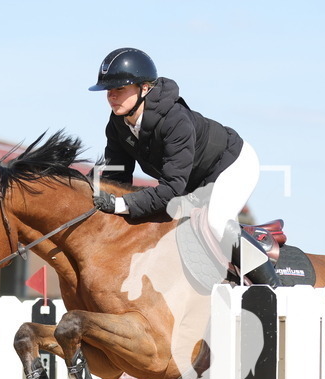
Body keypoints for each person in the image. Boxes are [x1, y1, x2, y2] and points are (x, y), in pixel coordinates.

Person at [88, 47, 280, 287]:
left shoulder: (175, 121)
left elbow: (171, 189)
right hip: (193, 179)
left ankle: (274, 291)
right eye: (108, 90)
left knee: (216, 221)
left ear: (144, 88)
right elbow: (118, 176)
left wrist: (121, 204)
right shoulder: (117, 123)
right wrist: (95, 189)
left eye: (119, 89)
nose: (111, 96)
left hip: (233, 164)